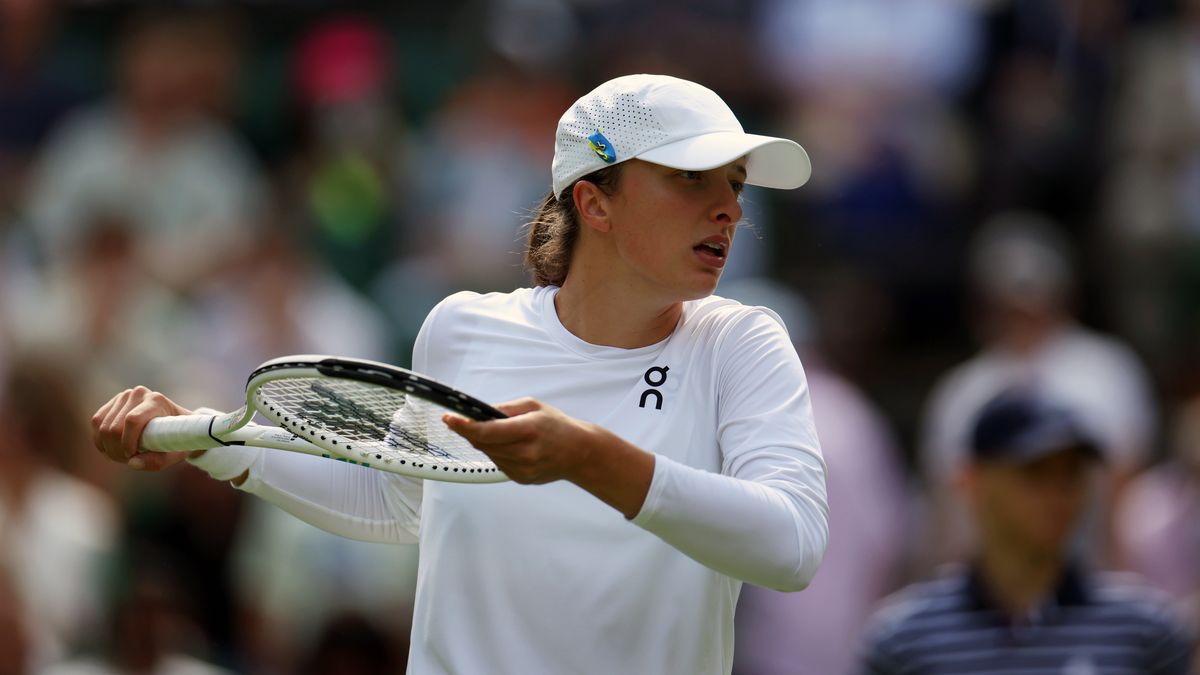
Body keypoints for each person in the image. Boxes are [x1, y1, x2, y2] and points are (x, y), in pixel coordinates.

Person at [92, 74, 830, 674]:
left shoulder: (743, 342)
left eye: (734, 183)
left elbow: (791, 545)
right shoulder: (462, 328)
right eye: (692, 178)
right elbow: (399, 500)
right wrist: (209, 443)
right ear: (594, 201)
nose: (730, 207)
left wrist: (589, 456)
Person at [861, 389, 1194, 675]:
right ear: (971, 481)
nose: (1058, 494)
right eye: (1035, 473)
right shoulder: (902, 642)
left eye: (1072, 473)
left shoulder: (1148, 633)